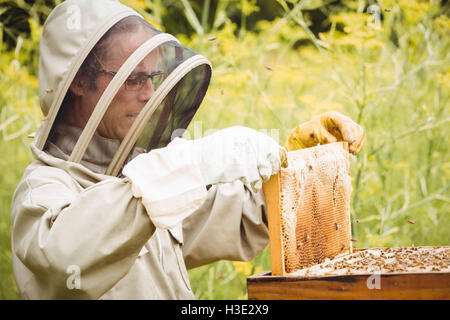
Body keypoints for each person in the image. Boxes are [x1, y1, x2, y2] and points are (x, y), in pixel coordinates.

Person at [10, 0, 364, 299]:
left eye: (153, 78)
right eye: (133, 79)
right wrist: (192, 163)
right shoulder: (44, 189)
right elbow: (63, 257)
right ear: (78, 82)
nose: (148, 95)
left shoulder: (146, 174)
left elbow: (242, 217)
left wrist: (299, 165)